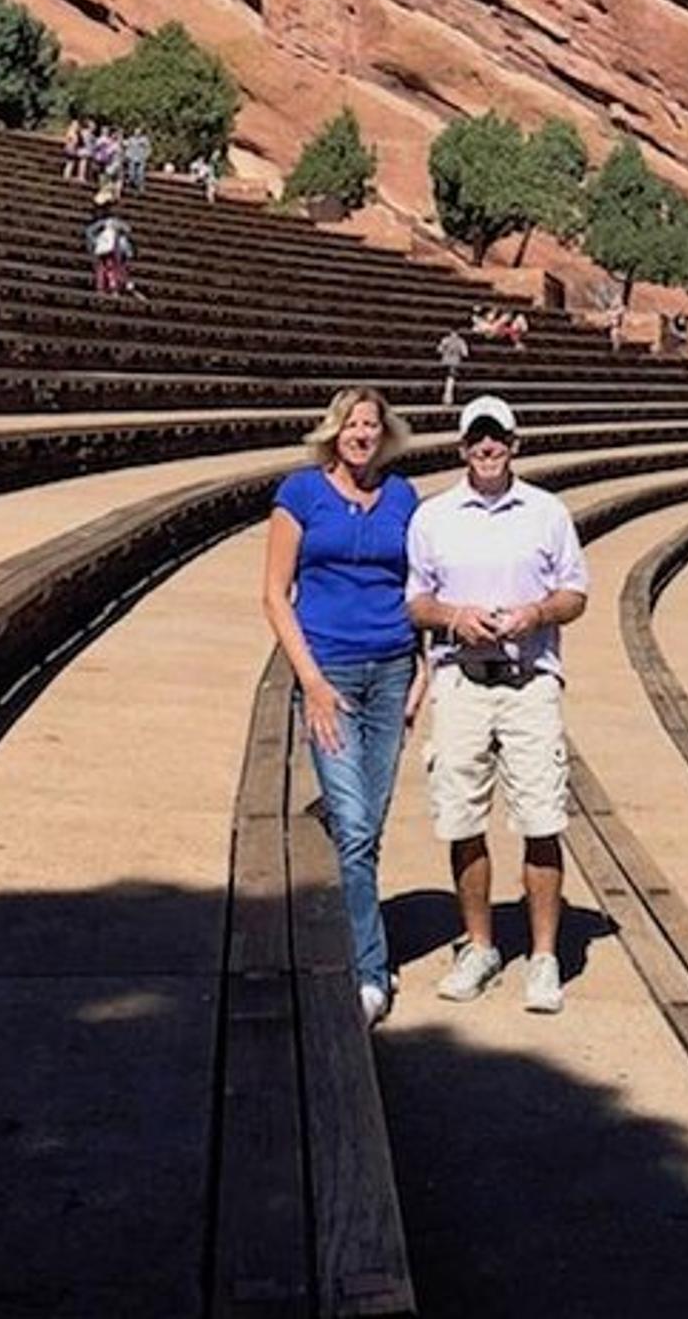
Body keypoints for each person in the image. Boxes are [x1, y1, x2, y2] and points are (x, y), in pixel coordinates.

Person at [405, 395, 589, 1014]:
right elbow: (417, 601)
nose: (487, 448)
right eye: (477, 439)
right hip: (460, 677)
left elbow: (574, 593)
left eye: (498, 437)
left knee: (542, 819)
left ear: (515, 443)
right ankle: (480, 946)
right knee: (462, 820)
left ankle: (543, 956)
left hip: (529, 678)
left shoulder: (546, 513)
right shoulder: (434, 517)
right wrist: (457, 618)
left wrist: (535, 613)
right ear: (462, 448)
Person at [263, 388, 425, 1027]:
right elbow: (276, 596)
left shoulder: (404, 496)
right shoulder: (301, 493)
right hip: (329, 670)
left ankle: (339, 923)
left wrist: (426, 674)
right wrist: (313, 683)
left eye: (372, 426)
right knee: (355, 828)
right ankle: (369, 971)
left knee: (367, 828)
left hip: (392, 669)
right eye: (352, 424)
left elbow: (423, 586)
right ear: (334, 432)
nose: (362, 434)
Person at [85, 199, 133, 295]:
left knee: (112, 268)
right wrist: (95, 242)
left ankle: (111, 287)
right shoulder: (104, 223)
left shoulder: (115, 223)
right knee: (106, 268)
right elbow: (89, 231)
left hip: (114, 249)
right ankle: (105, 287)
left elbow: (127, 230)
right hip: (108, 248)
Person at [437, 328, 468, 408]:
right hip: (452, 363)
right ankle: (447, 399)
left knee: (449, 381)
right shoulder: (459, 341)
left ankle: (447, 399)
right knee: (450, 381)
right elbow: (465, 353)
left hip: (448, 362)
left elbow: (439, 350)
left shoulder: (447, 340)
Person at [124, 130, 151, 194]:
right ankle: (132, 186)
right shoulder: (131, 139)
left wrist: (146, 156)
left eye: (138, 132)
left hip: (141, 159)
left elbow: (148, 148)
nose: (137, 133)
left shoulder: (144, 139)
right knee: (132, 174)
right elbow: (127, 148)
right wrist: (128, 156)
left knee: (140, 174)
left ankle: (140, 188)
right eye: (136, 132)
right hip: (132, 159)